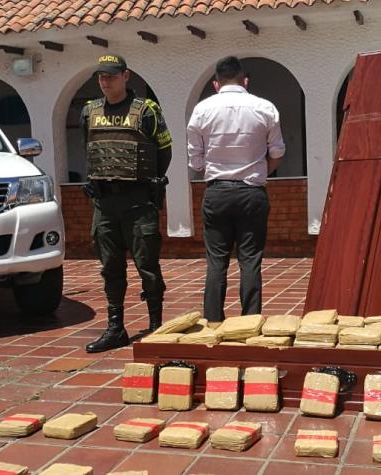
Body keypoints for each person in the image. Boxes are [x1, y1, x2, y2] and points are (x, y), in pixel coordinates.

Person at [83, 54, 173, 353]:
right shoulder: (89, 111)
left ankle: (156, 326)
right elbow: (88, 147)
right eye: (101, 76)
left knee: (147, 265)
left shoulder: (146, 110)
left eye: (111, 75)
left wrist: (150, 181)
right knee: (110, 267)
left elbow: (164, 150)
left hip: (138, 202)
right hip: (105, 203)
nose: (105, 81)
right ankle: (116, 328)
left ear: (126, 76)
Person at [187, 56, 285, 324]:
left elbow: (195, 162)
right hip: (252, 192)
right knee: (250, 260)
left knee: (216, 262)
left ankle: (213, 323)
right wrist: (260, 171)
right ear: (245, 81)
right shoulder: (265, 107)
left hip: (217, 193)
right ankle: (249, 323)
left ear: (216, 84)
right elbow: (277, 152)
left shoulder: (202, 110)